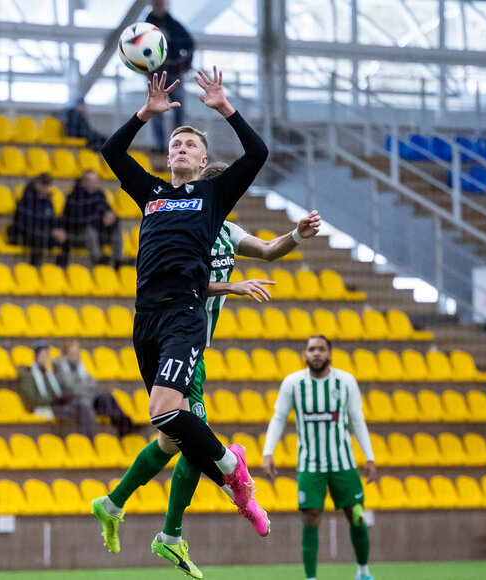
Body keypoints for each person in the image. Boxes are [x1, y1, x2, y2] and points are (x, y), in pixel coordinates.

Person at [95, 161, 323, 577]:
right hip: (174, 336)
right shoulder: (178, 220)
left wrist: (295, 234)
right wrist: (231, 286)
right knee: (189, 435)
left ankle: (113, 504)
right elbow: (176, 278)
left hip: (194, 344)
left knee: (169, 441)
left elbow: (270, 251)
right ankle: (175, 530)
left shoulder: (228, 231)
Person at [91, 66, 269, 564]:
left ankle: (233, 471)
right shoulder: (151, 193)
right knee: (170, 430)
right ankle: (127, 509)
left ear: (205, 159)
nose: (180, 150)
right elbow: (110, 154)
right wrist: (143, 112)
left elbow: (258, 154)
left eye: (189, 146)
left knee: (164, 410)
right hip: (144, 316)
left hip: (184, 315)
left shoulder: (214, 196)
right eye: (174, 145)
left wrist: (224, 108)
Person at [262, 335, 376, 580]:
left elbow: (357, 419)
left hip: (343, 463)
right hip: (310, 464)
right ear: (305, 353)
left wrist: (369, 456)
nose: (316, 353)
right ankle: (311, 577)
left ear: (330, 354)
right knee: (311, 516)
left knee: (356, 513)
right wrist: (268, 451)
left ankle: (363, 571)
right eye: (311, 349)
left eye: (321, 349)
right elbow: (279, 417)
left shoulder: (346, 382)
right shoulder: (293, 383)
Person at [53, 340, 135, 438]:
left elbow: (93, 384)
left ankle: (125, 425)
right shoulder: (60, 369)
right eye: (72, 353)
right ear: (65, 355)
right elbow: (69, 388)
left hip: (86, 398)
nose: (75, 356)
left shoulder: (80, 367)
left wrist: (84, 389)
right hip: (72, 402)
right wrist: (84, 388)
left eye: (76, 353)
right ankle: (89, 439)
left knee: (107, 397)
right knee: (84, 405)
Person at [145, 0, 194, 152]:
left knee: (178, 111)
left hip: (174, 75)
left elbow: (191, 45)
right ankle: (160, 146)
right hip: (156, 76)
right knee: (155, 112)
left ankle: (177, 145)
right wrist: (145, 70)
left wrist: (185, 67)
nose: (158, 4)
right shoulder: (146, 26)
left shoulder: (175, 25)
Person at [62, 171, 124, 268]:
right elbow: (78, 221)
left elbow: (107, 210)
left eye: (95, 181)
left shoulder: (100, 194)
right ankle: (97, 261)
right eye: (90, 181)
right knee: (90, 230)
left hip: (99, 230)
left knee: (116, 227)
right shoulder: (75, 196)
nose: (93, 184)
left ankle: (118, 261)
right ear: (83, 182)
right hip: (77, 233)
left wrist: (110, 216)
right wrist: (100, 220)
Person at [8, 173, 67, 266]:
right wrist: (51, 232)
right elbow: (28, 224)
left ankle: (60, 268)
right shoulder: (27, 200)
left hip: (44, 232)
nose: (44, 188)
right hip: (24, 234)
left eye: (47, 185)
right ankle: (35, 266)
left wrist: (58, 230)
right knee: (38, 236)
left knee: (66, 238)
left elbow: (52, 219)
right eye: (42, 184)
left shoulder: (48, 201)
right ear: (36, 184)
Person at [17, 340, 65, 421]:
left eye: (46, 355)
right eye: (42, 355)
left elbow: (56, 392)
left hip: (52, 407)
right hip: (39, 409)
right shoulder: (29, 373)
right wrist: (51, 401)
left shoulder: (49, 373)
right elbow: (30, 398)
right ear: (36, 356)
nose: (45, 358)